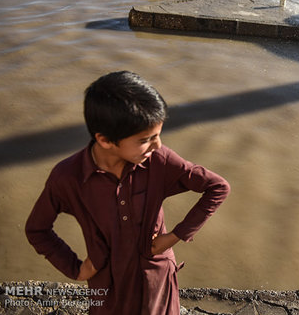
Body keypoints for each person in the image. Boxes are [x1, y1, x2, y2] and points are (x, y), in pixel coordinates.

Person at [25, 71, 231, 314]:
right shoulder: (68, 178)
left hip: (156, 279)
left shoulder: (159, 161)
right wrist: (74, 268)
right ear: (104, 140)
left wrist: (174, 236)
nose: (158, 145)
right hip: (107, 287)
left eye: (158, 135)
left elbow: (217, 187)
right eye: (146, 139)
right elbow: (37, 230)